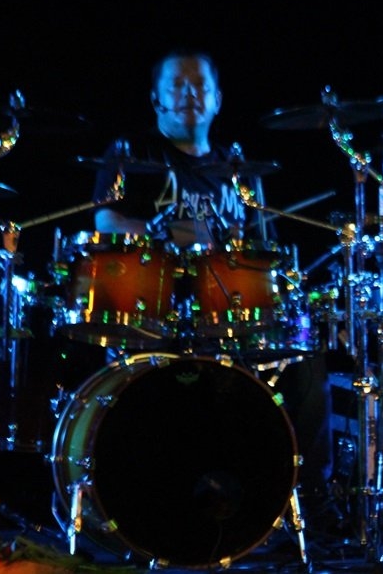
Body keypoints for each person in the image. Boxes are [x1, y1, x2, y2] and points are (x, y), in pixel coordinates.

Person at [87, 48, 335, 522]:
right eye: (177, 85)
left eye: (200, 85)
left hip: (229, 316)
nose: (189, 94)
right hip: (154, 313)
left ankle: (302, 503)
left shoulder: (237, 170)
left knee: (306, 361)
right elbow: (107, 222)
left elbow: (259, 250)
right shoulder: (133, 155)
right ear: (156, 99)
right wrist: (176, 236)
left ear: (217, 100)